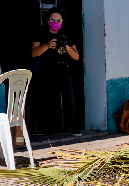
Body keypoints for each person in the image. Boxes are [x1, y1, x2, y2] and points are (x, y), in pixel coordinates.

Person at [31, 7, 81, 136]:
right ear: (48, 20)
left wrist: (69, 50)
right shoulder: (41, 32)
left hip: (63, 68)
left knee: (69, 97)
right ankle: (46, 129)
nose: (56, 22)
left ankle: (71, 126)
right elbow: (34, 53)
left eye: (59, 20)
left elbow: (76, 56)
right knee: (46, 99)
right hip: (46, 68)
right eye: (53, 19)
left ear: (62, 21)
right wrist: (47, 46)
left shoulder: (66, 34)